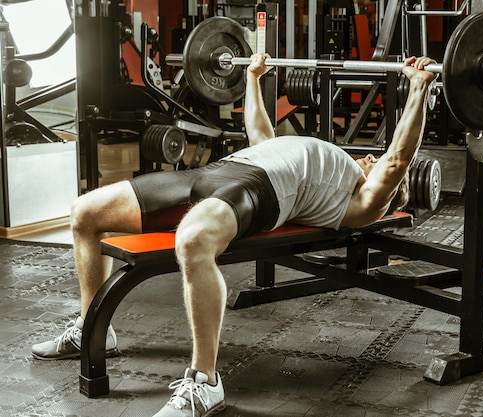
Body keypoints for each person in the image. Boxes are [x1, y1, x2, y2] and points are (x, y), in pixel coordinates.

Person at [31, 53, 436, 416]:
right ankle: (90, 329)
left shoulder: (367, 200)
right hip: (217, 170)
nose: (369, 155)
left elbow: (398, 157)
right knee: (85, 212)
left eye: (373, 159)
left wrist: (417, 88)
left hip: (260, 190)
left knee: (192, 241)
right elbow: (260, 134)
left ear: (390, 192)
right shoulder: (326, 156)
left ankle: (205, 383)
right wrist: (255, 79)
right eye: (369, 154)